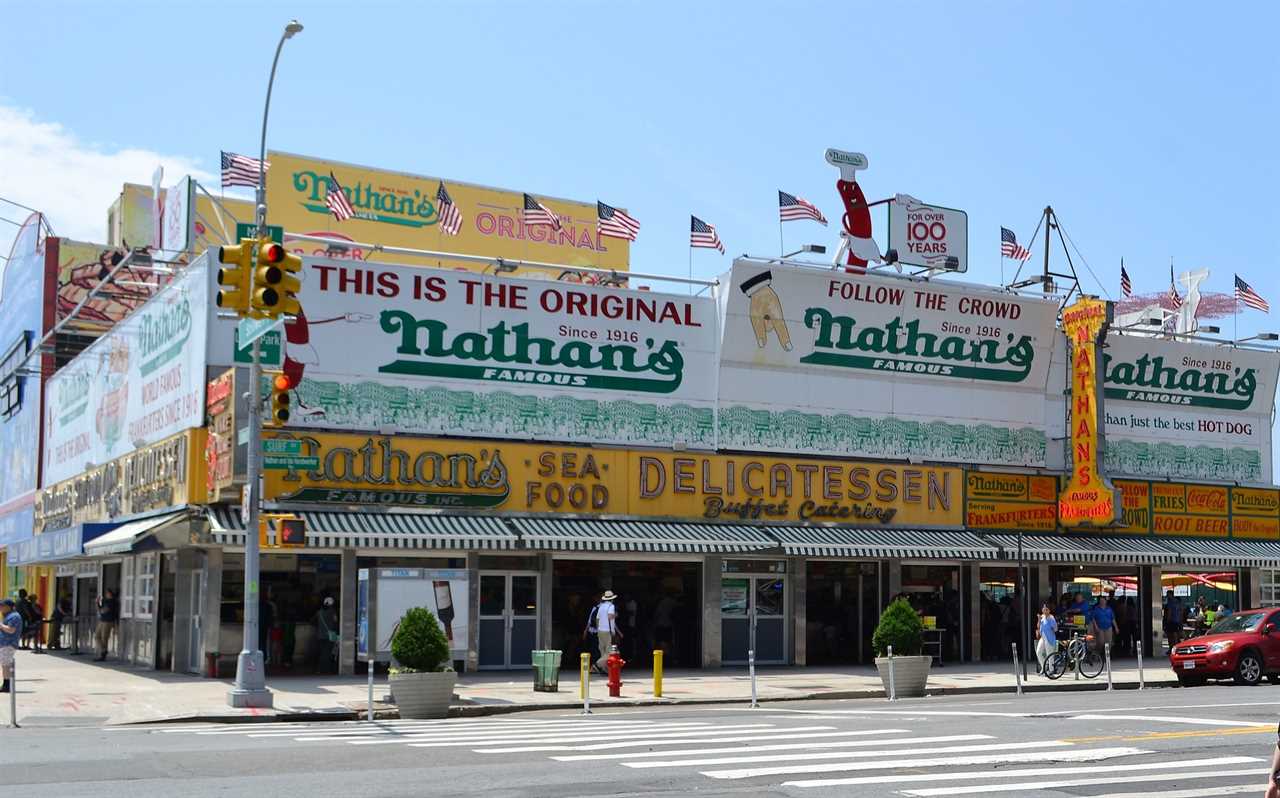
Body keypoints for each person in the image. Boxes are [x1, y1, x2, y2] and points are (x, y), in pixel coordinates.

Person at [587, 590, 621, 674]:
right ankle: (597, 665)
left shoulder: (601, 607)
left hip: (600, 631)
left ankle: (605, 669)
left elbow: (597, 619)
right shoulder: (611, 606)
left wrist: (598, 629)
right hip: (607, 631)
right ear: (612, 599)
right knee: (609, 652)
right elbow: (610, 618)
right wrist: (613, 631)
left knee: (602, 650)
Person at [313, 597, 338, 673]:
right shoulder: (333, 612)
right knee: (328, 653)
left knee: (322, 653)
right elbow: (336, 622)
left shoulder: (319, 612)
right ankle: (326, 669)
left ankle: (320, 669)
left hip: (320, 635)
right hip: (330, 636)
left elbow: (312, 620)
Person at [0, 598, 20, 692]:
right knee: (5, 664)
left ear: (8, 607)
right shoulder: (9, 615)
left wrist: (1, 625)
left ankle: (6, 685)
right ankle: (6, 684)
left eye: (2, 606)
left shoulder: (14, 616)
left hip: (8, 644)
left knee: (6, 664)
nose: (0, 608)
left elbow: (11, 630)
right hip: (5, 643)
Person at [95, 588, 119, 661]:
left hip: (108, 621)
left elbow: (103, 610)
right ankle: (104, 650)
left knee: (104, 637)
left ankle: (103, 654)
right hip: (102, 620)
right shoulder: (106, 601)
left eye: (107, 593)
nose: (106, 594)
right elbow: (100, 610)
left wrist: (99, 606)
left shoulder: (112, 602)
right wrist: (97, 603)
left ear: (110, 594)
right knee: (97, 636)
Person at [1035, 604, 1058, 675]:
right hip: (1043, 637)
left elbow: (1055, 629)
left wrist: (1052, 626)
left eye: (1046, 609)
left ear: (1049, 610)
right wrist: (1039, 620)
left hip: (1049, 638)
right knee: (1038, 652)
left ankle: (1051, 670)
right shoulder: (1042, 617)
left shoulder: (1051, 618)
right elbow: (1038, 627)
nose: (1044, 610)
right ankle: (1044, 667)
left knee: (1049, 654)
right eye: (1043, 609)